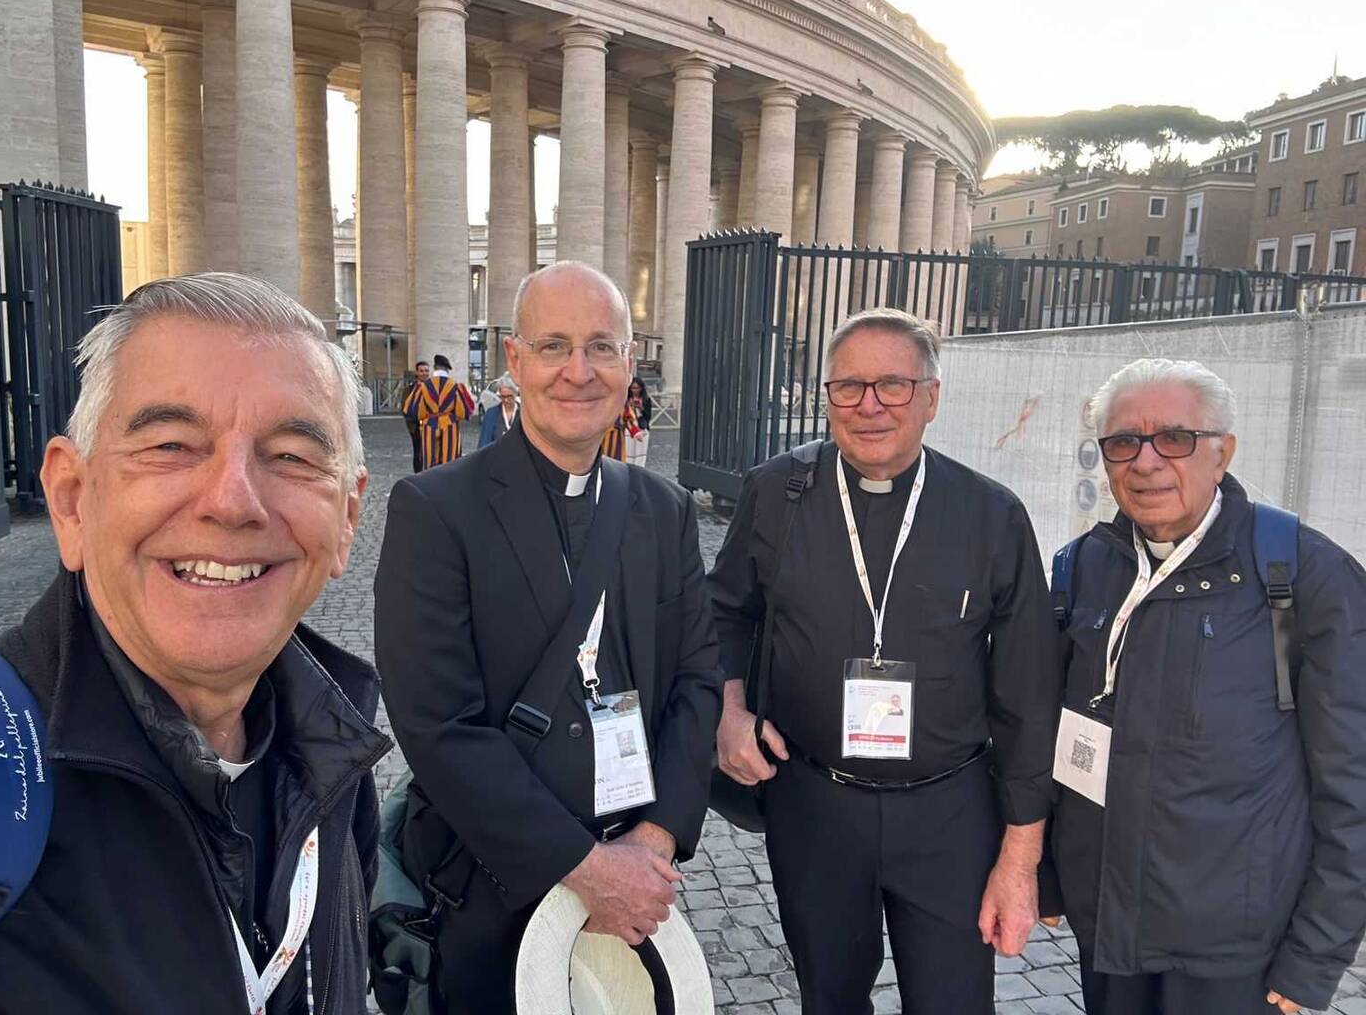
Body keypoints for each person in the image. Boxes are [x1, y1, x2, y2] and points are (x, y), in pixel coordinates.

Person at [0, 273, 390, 1013]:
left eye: (293, 457)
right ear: (72, 499)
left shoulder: (337, 759)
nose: (233, 500)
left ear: (347, 519)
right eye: (173, 445)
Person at [374, 261, 721, 1011]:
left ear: (630, 363)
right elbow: (437, 724)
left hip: (637, 873)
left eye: (602, 347)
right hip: (489, 878)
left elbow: (697, 679)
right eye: (555, 345)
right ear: (515, 361)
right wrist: (584, 867)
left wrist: (655, 841)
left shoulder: (664, 510)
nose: (578, 371)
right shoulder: (437, 511)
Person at [709, 307, 1060, 1014]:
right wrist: (727, 709)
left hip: (949, 810)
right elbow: (724, 611)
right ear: (828, 397)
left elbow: (1027, 694)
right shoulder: (776, 493)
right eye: (849, 387)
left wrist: (1020, 860)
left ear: (931, 397)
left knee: (955, 1002)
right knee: (829, 997)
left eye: (892, 386)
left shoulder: (992, 517)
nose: (869, 406)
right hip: (814, 800)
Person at [1045, 358, 1366, 1015]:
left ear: (1223, 453)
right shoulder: (1083, 570)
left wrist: (1313, 957)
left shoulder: (1301, 579)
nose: (1146, 461)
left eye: (1175, 439)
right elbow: (1053, 736)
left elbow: (1352, 786)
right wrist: (1052, 876)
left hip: (1234, 952)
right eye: (1122, 442)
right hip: (1108, 925)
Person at [406, 354, 474, 469]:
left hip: (429, 425)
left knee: (430, 461)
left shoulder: (423, 386)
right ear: (447, 369)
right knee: (450, 461)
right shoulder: (454, 386)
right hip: (449, 425)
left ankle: (431, 484)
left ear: (434, 368)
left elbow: (417, 411)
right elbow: (462, 411)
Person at [478, 373, 520, 448]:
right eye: (503, 396)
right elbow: (484, 443)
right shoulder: (491, 414)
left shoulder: (524, 414)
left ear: (515, 393)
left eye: (509, 396)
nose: (506, 400)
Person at [402, 360, 430, 473]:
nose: (424, 373)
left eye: (426, 370)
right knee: (418, 452)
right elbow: (404, 407)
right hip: (416, 426)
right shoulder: (409, 389)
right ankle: (418, 474)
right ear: (417, 373)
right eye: (421, 371)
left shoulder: (434, 388)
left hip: (431, 425)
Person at [624, 376, 652, 467]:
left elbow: (648, 417)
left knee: (641, 454)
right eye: (633, 388)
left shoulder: (646, 400)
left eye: (637, 388)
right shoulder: (626, 399)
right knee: (628, 453)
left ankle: (640, 471)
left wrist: (641, 408)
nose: (635, 390)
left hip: (642, 427)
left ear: (641, 388)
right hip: (629, 429)